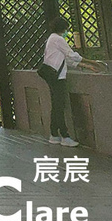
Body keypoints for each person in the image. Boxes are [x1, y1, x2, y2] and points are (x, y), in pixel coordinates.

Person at [42, 16, 100, 147]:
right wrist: (90, 62)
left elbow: (66, 60)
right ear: (63, 28)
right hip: (57, 77)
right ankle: (65, 135)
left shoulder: (52, 39)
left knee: (56, 105)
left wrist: (86, 66)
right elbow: (71, 55)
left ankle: (54, 134)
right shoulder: (58, 39)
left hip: (53, 75)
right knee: (59, 106)